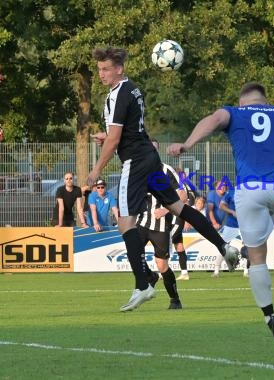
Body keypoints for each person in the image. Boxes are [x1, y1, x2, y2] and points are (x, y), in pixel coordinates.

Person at [88, 46, 239, 312]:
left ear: (119, 69)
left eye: (106, 69)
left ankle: (142, 285)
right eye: (99, 69)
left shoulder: (116, 95)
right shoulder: (132, 88)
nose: (101, 74)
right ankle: (223, 246)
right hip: (150, 161)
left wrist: (97, 168)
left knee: (125, 223)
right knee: (178, 207)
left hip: (135, 164)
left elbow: (115, 139)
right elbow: (128, 130)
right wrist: (109, 135)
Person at [167, 82, 274, 342]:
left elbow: (213, 120)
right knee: (263, 229)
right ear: (264, 99)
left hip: (251, 189)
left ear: (241, 102)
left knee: (257, 258)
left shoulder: (233, 113)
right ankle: (254, 239)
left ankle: (269, 315)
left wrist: (188, 144)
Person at [136, 140, 186, 310]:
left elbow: (183, 196)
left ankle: (175, 299)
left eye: (153, 150)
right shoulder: (137, 170)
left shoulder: (166, 170)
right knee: (133, 251)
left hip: (161, 226)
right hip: (141, 221)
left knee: (162, 265)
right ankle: (150, 276)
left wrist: (165, 210)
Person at [217, 189, 249, 277]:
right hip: (231, 225)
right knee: (223, 246)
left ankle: (246, 271)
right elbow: (221, 205)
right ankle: (216, 270)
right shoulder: (230, 193)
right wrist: (232, 212)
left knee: (248, 247)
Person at [172, 168, 195, 281]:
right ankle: (184, 272)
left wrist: (187, 220)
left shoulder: (182, 187)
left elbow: (186, 203)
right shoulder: (186, 186)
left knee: (165, 240)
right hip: (177, 218)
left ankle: (162, 271)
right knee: (178, 244)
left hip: (177, 219)